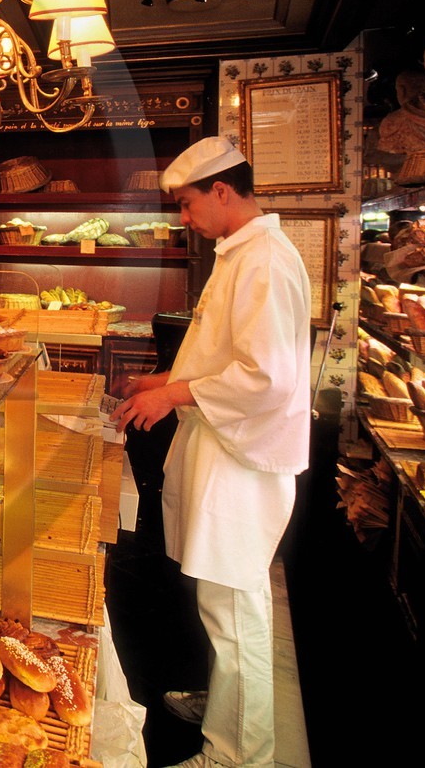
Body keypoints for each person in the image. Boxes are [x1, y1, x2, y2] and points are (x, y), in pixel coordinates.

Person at [112, 136, 311, 768]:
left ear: (221, 191)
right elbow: (229, 353)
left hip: (243, 462)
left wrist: (172, 396)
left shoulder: (266, 261)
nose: (184, 217)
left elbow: (267, 379)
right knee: (223, 603)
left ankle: (237, 751)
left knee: (234, 610)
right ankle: (231, 698)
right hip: (228, 454)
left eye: (188, 203)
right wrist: (162, 381)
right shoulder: (242, 254)